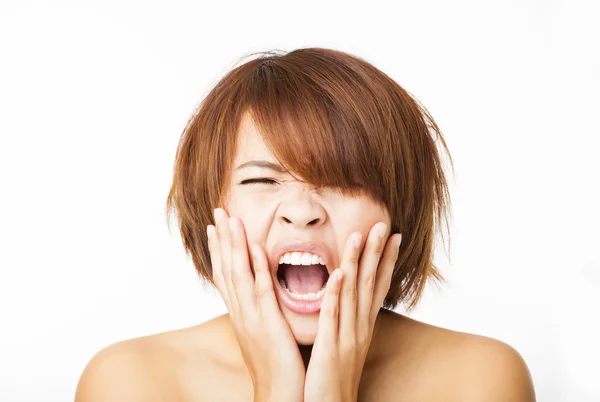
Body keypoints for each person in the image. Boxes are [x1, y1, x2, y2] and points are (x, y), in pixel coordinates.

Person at [75, 47, 536, 401]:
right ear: (212, 211)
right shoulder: (131, 381)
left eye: (343, 180)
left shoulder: (479, 378)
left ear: (399, 210)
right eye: (261, 178)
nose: (302, 209)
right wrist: (276, 389)